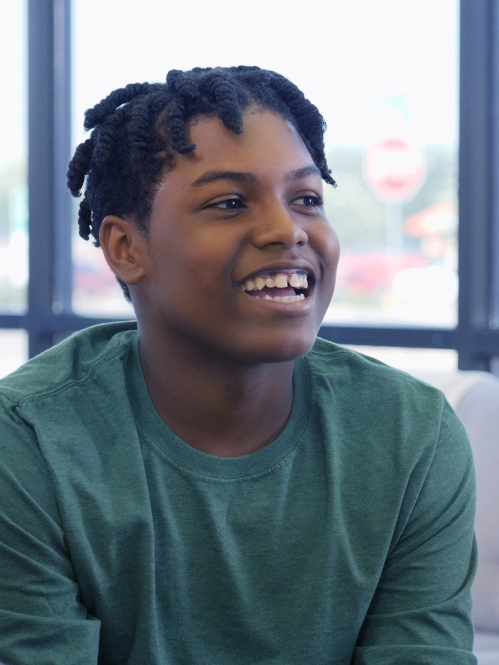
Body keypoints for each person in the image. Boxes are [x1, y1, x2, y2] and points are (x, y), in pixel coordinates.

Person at [0, 66, 476, 664]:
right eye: (229, 203)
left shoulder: (411, 437)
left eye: (306, 199)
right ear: (126, 249)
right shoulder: (27, 441)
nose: (288, 230)